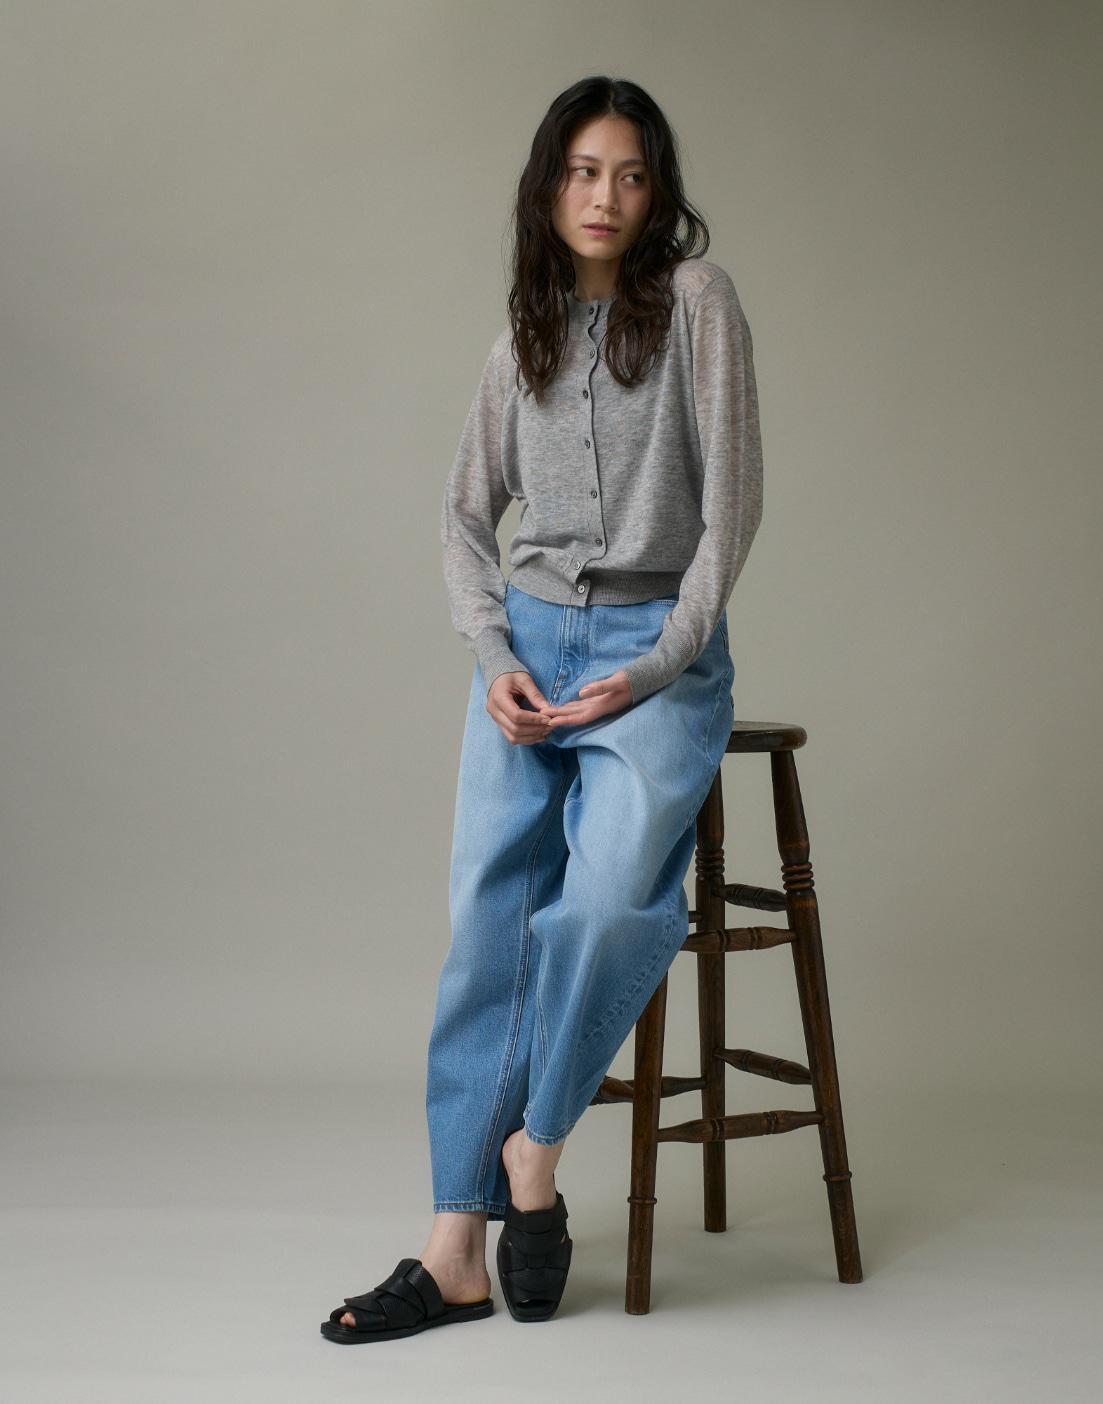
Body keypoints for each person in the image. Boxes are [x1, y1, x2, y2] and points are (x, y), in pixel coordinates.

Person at [321, 74, 763, 1343]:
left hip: (651, 651)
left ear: (657, 191)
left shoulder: (697, 303)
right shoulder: (523, 330)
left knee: (614, 899)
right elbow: (465, 516)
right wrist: (491, 651)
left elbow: (730, 507)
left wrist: (662, 660)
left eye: (629, 173)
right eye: (580, 171)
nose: (603, 195)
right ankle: (454, 1245)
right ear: (547, 187)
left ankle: (538, 1147)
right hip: (528, 650)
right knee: (487, 927)